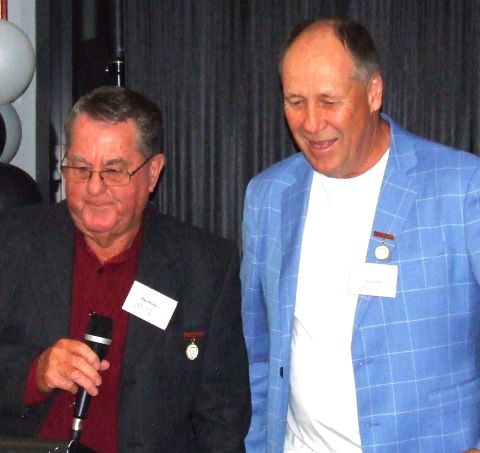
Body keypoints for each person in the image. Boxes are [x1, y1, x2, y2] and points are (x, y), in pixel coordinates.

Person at [241, 18, 480, 453]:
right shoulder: (268, 197)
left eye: (329, 101)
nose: (312, 123)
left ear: (373, 92)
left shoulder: (461, 187)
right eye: (295, 101)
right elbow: (256, 350)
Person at [0, 86, 251, 452]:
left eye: (114, 171)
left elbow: (221, 422)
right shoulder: (11, 243)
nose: (94, 188)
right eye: (81, 168)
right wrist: (34, 372)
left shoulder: (205, 268)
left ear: (153, 174)